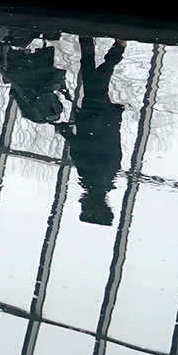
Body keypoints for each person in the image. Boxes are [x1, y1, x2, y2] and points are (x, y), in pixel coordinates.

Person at [57, 37, 127, 225]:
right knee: (94, 82)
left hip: (103, 122)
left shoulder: (105, 181)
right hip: (95, 120)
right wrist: (66, 134)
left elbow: (111, 149)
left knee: (91, 78)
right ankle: (112, 47)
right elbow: (82, 150)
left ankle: (91, 43)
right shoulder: (93, 181)